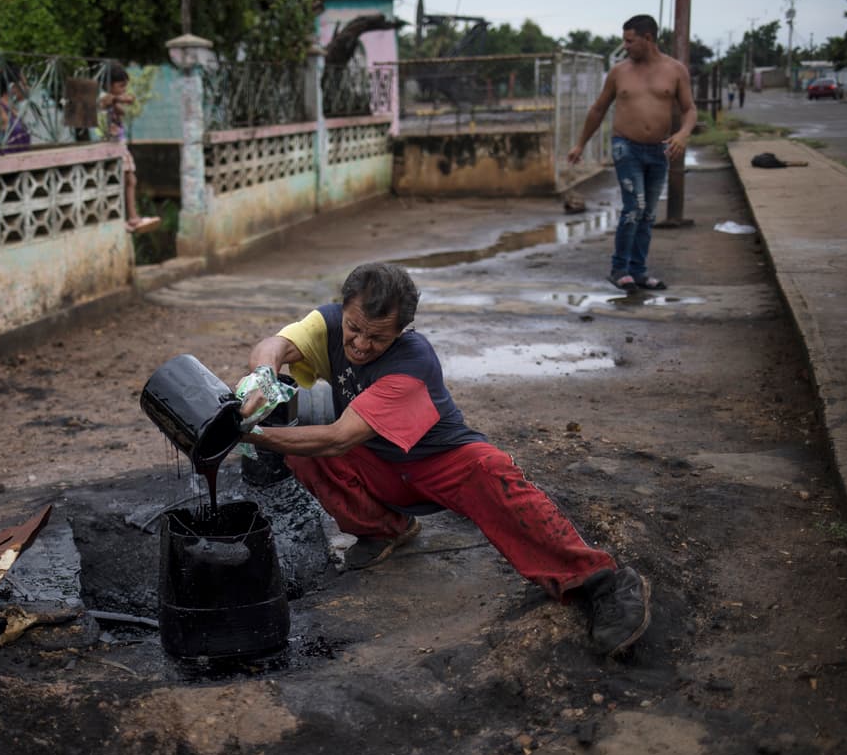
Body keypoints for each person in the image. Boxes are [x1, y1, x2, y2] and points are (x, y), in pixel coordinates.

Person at [236, 262, 653, 658]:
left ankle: (602, 582)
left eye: (377, 338)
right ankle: (383, 529)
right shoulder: (328, 322)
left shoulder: (411, 362)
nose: (361, 345)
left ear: (402, 331)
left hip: (438, 460)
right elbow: (274, 345)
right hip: (378, 461)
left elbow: (338, 437)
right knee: (302, 451)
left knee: (493, 473)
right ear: (344, 310)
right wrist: (263, 378)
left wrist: (250, 435)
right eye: (354, 329)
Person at [567, 14, 697, 293]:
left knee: (648, 213)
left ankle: (638, 271)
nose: (625, 46)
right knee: (634, 207)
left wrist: (683, 133)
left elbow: (689, 109)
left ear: (648, 38)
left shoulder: (675, 70)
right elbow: (598, 109)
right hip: (626, 146)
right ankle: (619, 269)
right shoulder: (619, 72)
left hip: (659, 150)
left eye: (630, 40)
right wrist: (580, 144)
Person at [99, 63, 155, 231]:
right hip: (113, 146)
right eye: (120, 85)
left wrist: (118, 103)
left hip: (118, 144)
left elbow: (120, 110)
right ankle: (132, 217)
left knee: (129, 180)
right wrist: (120, 98)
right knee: (129, 180)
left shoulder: (109, 99)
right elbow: (110, 101)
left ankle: (129, 216)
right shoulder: (104, 97)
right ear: (109, 85)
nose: (124, 89)